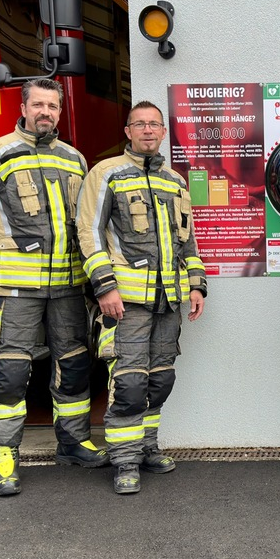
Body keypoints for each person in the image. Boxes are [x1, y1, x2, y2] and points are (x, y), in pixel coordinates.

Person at [0, 78, 109, 497]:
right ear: (23, 108)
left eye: (53, 106)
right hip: (15, 287)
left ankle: (74, 442)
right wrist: (3, 252)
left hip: (67, 285)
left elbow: (86, 221)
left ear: (60, 112)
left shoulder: (75, 160)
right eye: (38, 104)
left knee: (75, 365)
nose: (46, 112)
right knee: (10, 369)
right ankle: (5, 452)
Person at [76, 100, 207, 495]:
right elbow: (90, 233)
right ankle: (125, 460)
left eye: (155, 124)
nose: (148, 130)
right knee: (129, 383)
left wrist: (197, 284)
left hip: (169, 300)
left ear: (163, 132)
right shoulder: (106, 174)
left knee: (160, 379)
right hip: (125, 302)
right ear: (128, 131)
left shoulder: (175, 181)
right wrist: (105, 286)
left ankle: (147, 448)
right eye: (140, 124)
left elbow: (189, 239)